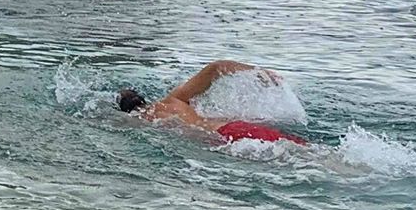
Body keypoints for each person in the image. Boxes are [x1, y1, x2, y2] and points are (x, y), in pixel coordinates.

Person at [115, 60, 308, 146]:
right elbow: (216, 67)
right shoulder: (174, 100)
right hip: (235, 127)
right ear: (142, 98)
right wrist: (258, 72)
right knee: (309, 151)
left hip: (222, 140)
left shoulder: (140, 121)